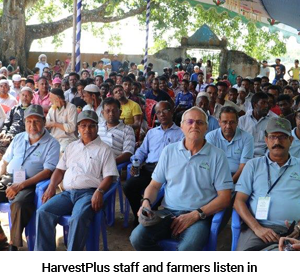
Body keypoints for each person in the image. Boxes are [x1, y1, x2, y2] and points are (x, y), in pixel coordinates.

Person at [130, 106, 233, 251]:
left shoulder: (217, 155)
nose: (194, 126)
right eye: (190, 122)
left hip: (199, 216)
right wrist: (146, 202)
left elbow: (225, 198)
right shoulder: (169, 151)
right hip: (168, 213)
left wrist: (196, 214)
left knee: (187, 249)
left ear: (206, 128)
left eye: (199, 122)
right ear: (182, 127)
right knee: (137, 238)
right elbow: (154, 186)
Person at [34, 110, 119, 251]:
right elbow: (60, 170)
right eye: (83, 125)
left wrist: (99, 191)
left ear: (97, 127)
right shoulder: (71, 147)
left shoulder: (104, 150)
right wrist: (51, 187)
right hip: (68, 194)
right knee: (43, 212)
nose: (87, 129)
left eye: (91, 126)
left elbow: (109, 177)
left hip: (88, 194)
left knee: (77, 218)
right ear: (78, 128)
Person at [234, 117, 300, 251]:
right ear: (266, 140)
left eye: (282, 137)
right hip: (258, 229)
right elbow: (238, 201)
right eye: (272, 137)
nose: (277, 141)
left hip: (294, 231)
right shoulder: (253, 165)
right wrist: (257, 228)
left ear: (291, 140)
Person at [0, 104, 60, 250]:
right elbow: (5, 162)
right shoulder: (19, 138)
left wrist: (21, 185)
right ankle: (1, 237)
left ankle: (13, 245)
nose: (32, 125)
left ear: (44, 122)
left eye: (36, 121)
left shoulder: (52, 143)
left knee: (19, 203)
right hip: (10, 178)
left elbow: (48, 171)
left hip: (31, 183)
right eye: (28, 121)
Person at [123, 101, 184, 226]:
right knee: (129, 186)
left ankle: (152, 218)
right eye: (158, 112)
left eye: (165, 110)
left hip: (169, 172)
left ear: (172, 111)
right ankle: (139, 216)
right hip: (150, 169)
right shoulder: (152, 133)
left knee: (158, 195)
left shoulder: (181, 134)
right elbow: (142, 151)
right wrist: (136, 161)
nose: (162, 114)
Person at [206, 106, 254, 183]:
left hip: (240, 177)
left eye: (232, 122)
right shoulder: (211, 137)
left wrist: (229, 184)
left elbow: (244, 167)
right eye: (224, 122)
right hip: (216, 177)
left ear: (237, 122)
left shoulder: (247, 138)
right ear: (219, 122)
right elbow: (209, 163)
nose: (228, 126)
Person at [238, 92, 278, 157]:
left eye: (267, 103)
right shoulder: (242, 120)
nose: (266, 106)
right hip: (243, 154)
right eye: (263, 103)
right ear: (255, 105)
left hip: (264, 156)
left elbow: (274, 142)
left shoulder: (274, 120)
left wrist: (266, 158)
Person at [98, 97, 135, 164]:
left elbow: (128, 153)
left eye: (114, 111)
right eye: (107, 111)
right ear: (103, 113)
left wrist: (110, 163)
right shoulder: (98, 127)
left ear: (120, 112)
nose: (111, 114)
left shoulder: (127, 130)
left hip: (112, 165)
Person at [0, 87, 33, 157]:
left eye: (27, 95)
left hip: (23, 137)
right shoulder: (14, 108)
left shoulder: (34, 110)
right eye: (23, 95)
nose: (25, 97)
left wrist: (11, 138)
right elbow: (7, 123)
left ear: (32, 97)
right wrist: (3, 131)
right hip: (9, 134)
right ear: (20, 96)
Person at [46, 89, 78, 153]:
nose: (50, 100)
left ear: (57, 99)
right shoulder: (52, 109)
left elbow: (71, 128)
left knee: (62, 152)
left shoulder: (71, 107)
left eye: (51, 98)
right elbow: (47, 123)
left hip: (68, 139)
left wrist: (54, 124)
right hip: (54, 138)